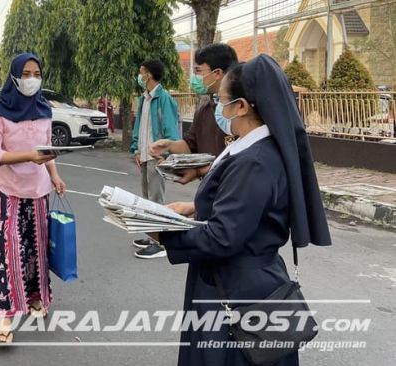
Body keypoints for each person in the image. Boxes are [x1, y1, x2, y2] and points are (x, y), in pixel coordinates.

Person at [155, 55, 332, 366]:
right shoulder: (248, 147)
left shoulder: (256, 160)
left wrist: (164, 233)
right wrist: (196, 206)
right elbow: (246, 208)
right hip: (235, 281)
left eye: (221, 100)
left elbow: (224, 235)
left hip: (239, 291)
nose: (218, 108)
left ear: (242, 106)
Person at [0, 53, 66, 344]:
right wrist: (28, 156)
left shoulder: (44, 109)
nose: (32, 79)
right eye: (26, 73)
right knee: (4, 252)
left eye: (36, 73)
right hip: (4, 191)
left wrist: (54, 174)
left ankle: (34, 297)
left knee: (35, 249)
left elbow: (45, 149)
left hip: (38, 189)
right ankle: (3, 315)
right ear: (15, 76)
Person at [150, 43, 238, 184]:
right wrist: (169, 145)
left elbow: (239, 162)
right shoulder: (204, 108)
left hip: (234, 189)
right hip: (209, 189)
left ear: (217, 73)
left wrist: (198, 171)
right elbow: (190, 145)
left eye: (198, 71)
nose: (195, 77)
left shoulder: (241, 111)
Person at [130, 59, 180, 259]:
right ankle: (152, 236)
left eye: (142, 72)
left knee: (156, 200)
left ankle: (160, 243)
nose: (140, 76)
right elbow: (139, 127)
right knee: (147, 198)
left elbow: (171, 128)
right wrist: (136, 149)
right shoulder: (144, 98)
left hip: (156, 157)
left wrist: (166, 154)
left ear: (149, 75)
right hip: (144, 155)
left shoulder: (163, 98)